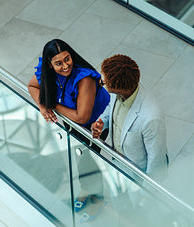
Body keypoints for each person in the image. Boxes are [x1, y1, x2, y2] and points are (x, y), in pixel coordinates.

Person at [27, 39, 110, 215]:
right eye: (58, 63)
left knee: (89, 160)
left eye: (67, 59)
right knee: (79, 156)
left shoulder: (84, 79)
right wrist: (43, 106)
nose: (65, 66)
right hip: (71, 119)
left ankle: (97, 198)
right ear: (50, 65)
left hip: (95, 124)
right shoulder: (47, 70)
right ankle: (86, 189)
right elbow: (32, 85)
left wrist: (51, 104)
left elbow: (82, 117)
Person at [91, 54, 168, 181]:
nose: (101, 82)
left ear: (119, 88)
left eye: (105, 82)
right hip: (117, 163)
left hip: (137, 177)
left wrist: (146, 195)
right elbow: (110, 108)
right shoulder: (119, 93)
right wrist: (102, 122)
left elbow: (157, 161)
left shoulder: (152, 117)